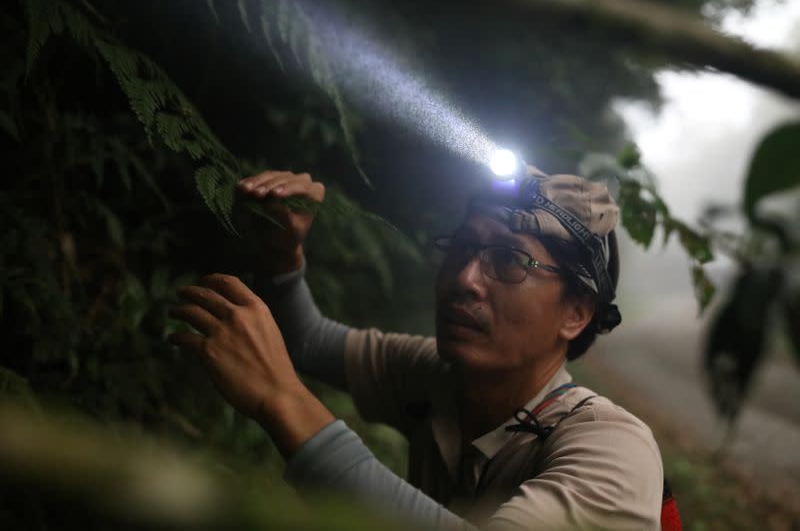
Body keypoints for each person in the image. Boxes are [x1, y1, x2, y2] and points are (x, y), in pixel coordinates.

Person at [168, 167, 665, 530]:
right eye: (462, 249)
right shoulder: (441, 377)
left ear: (577, 313)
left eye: (507, 260)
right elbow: (307, 342)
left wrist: (283, 399)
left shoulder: (614, 449)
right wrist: (283, 257)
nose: (465, 280)